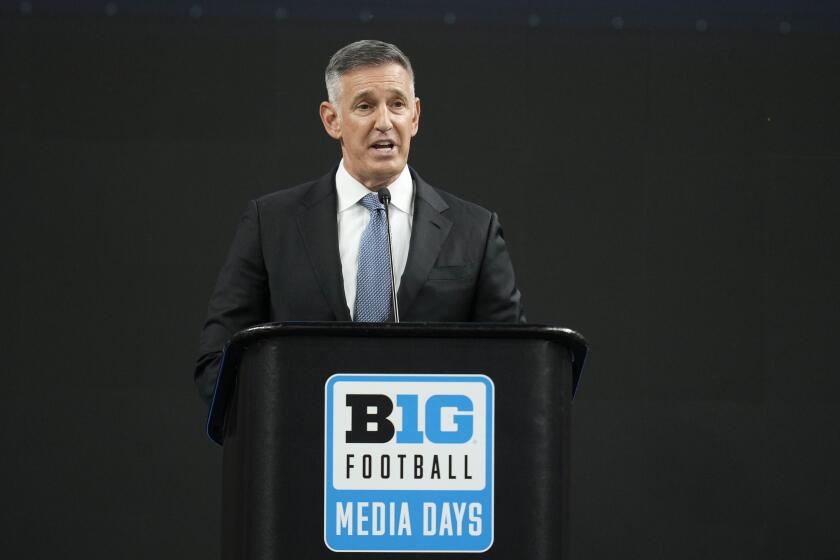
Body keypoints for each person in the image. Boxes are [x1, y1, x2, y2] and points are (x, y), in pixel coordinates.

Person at [194, 40, 524, 404]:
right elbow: (217, 364)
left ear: (414, 116)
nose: (384, 122)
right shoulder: (270, 223)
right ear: (331, 119)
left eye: (397, 105)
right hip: (305, 450)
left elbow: (514, 366)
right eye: (365, 106)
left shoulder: (475, 230)